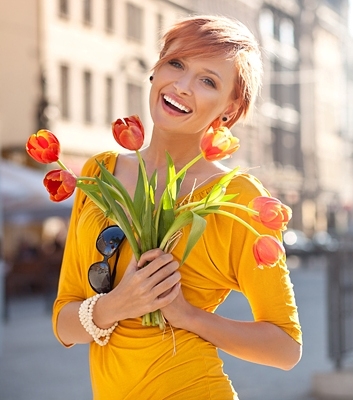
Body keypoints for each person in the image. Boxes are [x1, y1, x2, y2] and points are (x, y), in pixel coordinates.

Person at [52, 15, 302, 399]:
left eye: (208, 81)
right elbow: (64, 322)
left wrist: (187, 315)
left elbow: (285, 348)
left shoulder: (239, 198)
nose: (182, 86)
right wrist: (116, 305)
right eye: (177, 64)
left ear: (230, 109)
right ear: (156, 69)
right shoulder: (98, 174)